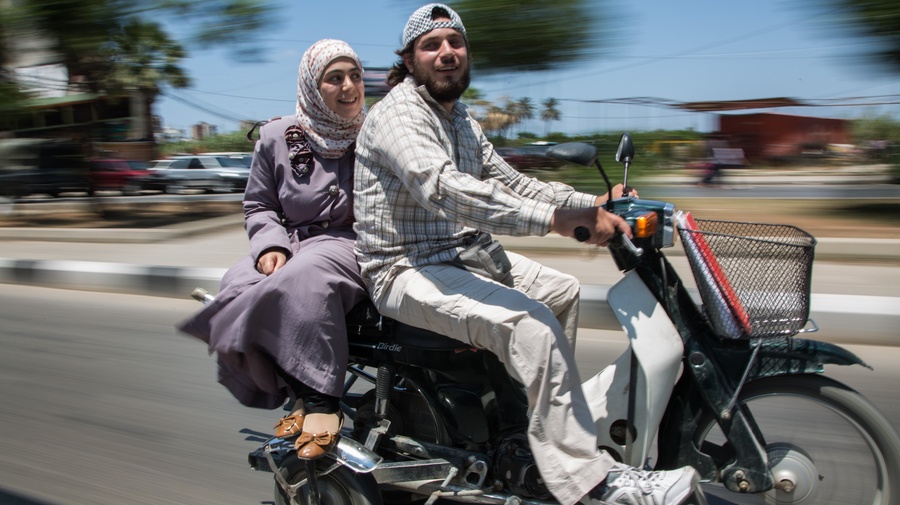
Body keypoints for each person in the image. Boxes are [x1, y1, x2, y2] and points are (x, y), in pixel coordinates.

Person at [353, 4, 701, 505]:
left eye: (456, 42)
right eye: (432, 45)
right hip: (405, 268)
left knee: (562, 292)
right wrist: (557, 221)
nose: (447, 52)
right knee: (531, 326)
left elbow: (511, 183)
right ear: (409, 61)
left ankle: (533, 434)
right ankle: (591, 482)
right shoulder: (398, 114)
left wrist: (591, 203)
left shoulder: (460, 118)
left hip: (459, 252)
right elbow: (446, 190)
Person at [178, 39, 367, 461]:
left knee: (304, 276)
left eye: (354, 76)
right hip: (292, 241)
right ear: (312, 87)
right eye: (334, 78)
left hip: (350, 243)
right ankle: (294, 390)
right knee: (237, 281)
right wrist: (269, 245)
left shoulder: (376, 134)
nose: (348, 86)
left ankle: (320, 400)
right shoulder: (277, 135)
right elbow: (259, 205)